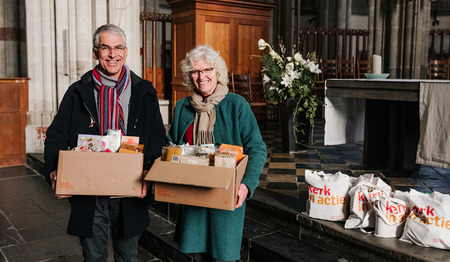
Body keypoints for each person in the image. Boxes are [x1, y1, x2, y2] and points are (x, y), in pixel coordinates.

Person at [44, 24, 166, 261]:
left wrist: (149, 172)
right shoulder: (77, 91)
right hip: (90, 191)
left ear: (126, 51)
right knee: (94, 257)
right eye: (105, 48)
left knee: (128, 255)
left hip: (130, 189)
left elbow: (156, 137)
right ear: (95, 52)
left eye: (118, 47)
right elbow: (56, 134)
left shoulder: (144, 91)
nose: (113, 54)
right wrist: (53, 170)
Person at [168, 45, 267, 262]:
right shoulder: (182, 107)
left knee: (223, 255)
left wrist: (246, 184)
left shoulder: (236, 105)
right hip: (192, 193)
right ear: (189, 76)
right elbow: (172, 145)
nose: (201, 77)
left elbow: (257, 149)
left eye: (207, 70)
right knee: (196, 255)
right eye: (195, 71)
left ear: (217, 72)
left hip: (225, 192)